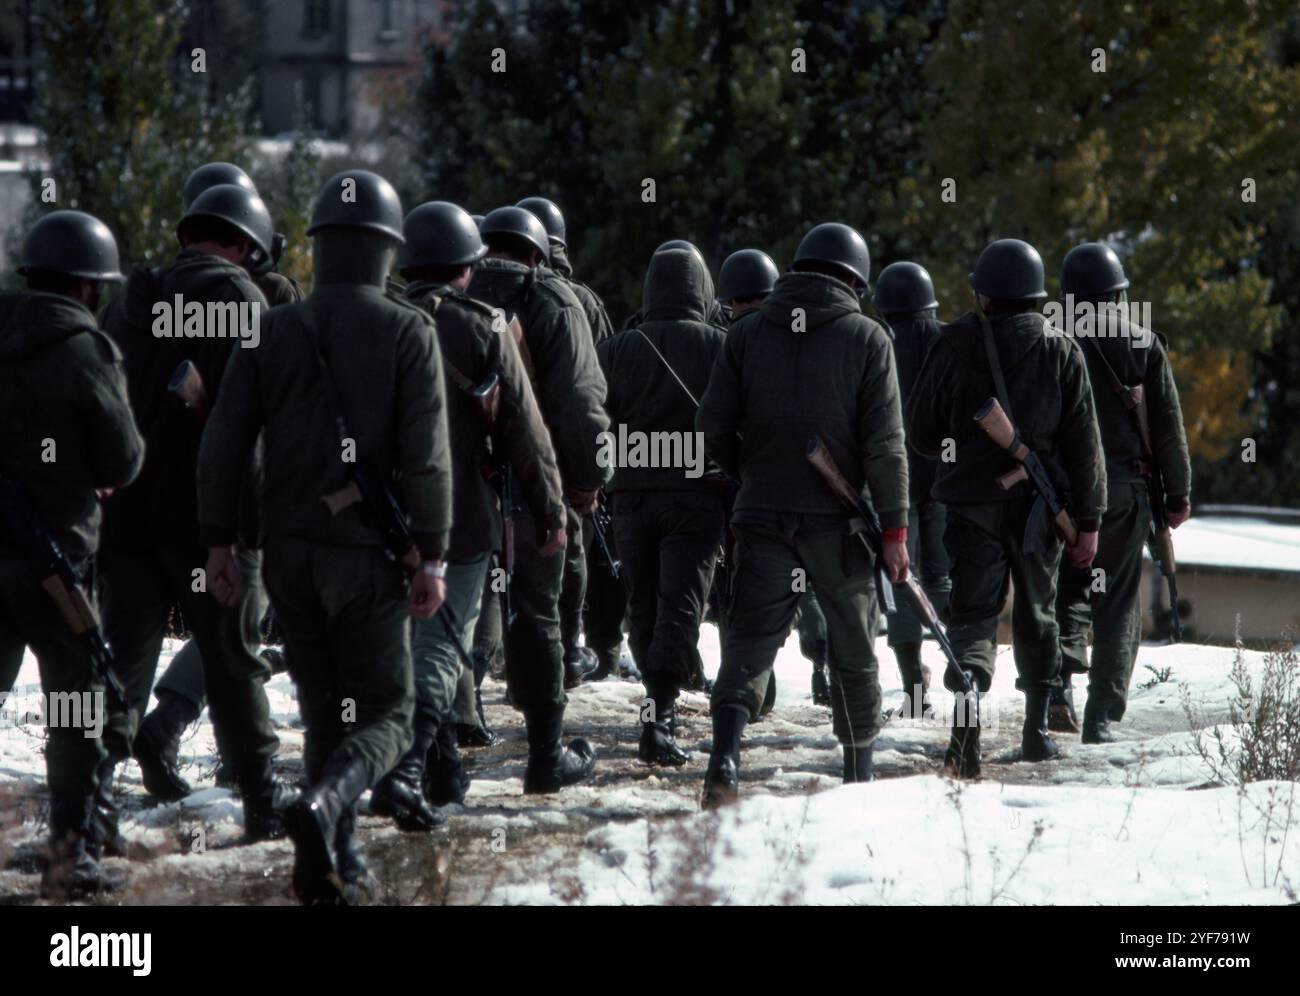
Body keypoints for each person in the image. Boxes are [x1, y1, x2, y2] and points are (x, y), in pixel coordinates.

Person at [197, 170, 452, 903]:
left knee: (322, 708)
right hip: (370, 557)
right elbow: (428, 456)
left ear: (318, 245)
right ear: (385, 250)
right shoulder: (409, 330)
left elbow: (224, 444)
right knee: (390, 715)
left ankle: (329, 862)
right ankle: (327, 809)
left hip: (287, 554)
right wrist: (431, 553)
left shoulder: (271, 328)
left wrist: (221, 543)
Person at [98, 182, 288, 846]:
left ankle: (90, 806)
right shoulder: (243, 301)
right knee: (235, 660)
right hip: (207, 523)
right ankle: (263, 798)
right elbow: (249, 431)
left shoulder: (134, 295)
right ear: (243, 244)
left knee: (120, 665)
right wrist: (247, 532)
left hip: (125, 519)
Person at [698, 222, 910, 806]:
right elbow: (885, 446)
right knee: (852, 643)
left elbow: (712, 427)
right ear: (854, 278)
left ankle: (724, 760)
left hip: (761, 513)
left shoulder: (745, 334)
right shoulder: (869, 339)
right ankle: (858, 773)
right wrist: (894, 526)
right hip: (837, 524)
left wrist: (751, 477)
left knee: (749, 641)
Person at [375, 200, 565, 830]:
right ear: (466, 267)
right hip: (460, 518)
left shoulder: (381, 320)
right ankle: (405, 773)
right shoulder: (484, 325)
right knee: (442, 645)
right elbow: (527, 435)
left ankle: (438, 763)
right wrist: (551, 512)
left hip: (378, 515)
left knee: (403, 643)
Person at [132, 161, 305, 802]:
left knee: (233, 633)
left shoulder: (158, 293)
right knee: (238, 632)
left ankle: (205, 750)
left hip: (163, 500)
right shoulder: (249, 298)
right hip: (227, 502)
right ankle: (228, 762)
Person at [907, 238, 1107, 777]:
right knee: (1037, 612)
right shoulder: (1062, 350)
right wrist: (1088, 521)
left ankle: (966, 725)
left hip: (970, 506)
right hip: (1042, 511)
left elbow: (921, 432)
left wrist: (959, 449)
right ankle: (1037, 731)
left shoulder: (951, 344)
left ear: (986, 295)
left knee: (972, 617)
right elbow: (1085, 448)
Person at [0, 211, 145, 897]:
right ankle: (70, 852)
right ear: (89, 288)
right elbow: (123, 456)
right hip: (57, 564)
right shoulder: (87, 349)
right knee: (72, 711)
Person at [468, 205, 608, 792]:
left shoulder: (455, 291)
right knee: (538, 614)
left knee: (458, 607)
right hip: (534, 485)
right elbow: (581, 406)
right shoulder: (554, 300)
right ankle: (545, 753)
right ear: (537, 253)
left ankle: (452, 725)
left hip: (456, 485)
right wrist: (586, 480)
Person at [1053, 242, 1191, 742]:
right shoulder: (1143, 344)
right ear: (1119, 292)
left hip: (1060, 494)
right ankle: (1102, 717)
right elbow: (1169, 430)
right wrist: (1178, 494)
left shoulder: (1051, 340)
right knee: (1117, 601)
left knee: (1066, 592)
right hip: (1124, 495)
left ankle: (1057, 689)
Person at [598, 247, 728, 765]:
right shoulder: (723, 346)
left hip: (629, 496)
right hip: (697, 497)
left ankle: (658, 711)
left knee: (644, 605)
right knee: (682, 605)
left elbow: (593, 415)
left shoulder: (616, 348)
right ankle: (661, 713)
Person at [873, 261, 951, 719]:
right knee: (942, 578)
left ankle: (912, 687)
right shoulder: (949, 341)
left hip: (893, 482)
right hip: (945, 477)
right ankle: (960, 670)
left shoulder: (876, 342)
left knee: (901, 578)